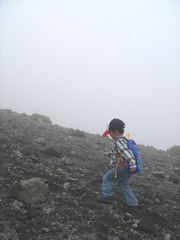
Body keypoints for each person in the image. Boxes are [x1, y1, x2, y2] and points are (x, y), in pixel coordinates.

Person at [97, 118, 138, 207]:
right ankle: (133, 203)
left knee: (106, 178)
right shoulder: (124, 140)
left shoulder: (119, 142)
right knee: (123, 183)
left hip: (122, 167)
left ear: (115, 131)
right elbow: (119, 153)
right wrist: (109, 154)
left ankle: (108, 196)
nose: (110, 135)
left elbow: (126, 153)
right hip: (128, 168)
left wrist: (132, 163)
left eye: (110, 133)